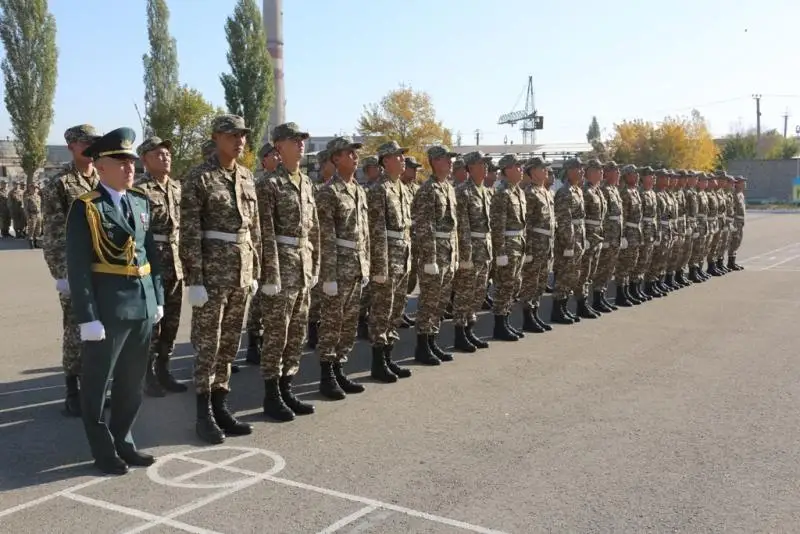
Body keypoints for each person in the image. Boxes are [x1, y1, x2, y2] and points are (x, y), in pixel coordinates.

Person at [65, 127, 164, 475]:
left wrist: (157, 297)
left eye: (131, 161)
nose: (129, 167)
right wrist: (87, 317)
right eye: (121, 162)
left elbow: (151, 255)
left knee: (132, 383)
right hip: (108, 309)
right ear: (100, 166)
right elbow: (78, 268)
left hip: (142, 304)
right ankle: (102, 449)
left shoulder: (139, 201)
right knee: (97, 384)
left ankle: (124, 441)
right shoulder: (87, 207)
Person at [180, 115, 261, 443]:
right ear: (216, 137)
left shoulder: (246, 176)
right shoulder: (199, 177)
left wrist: (255, 269)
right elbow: (188, 231)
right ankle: (203, 415)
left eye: (242, 135)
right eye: (232, 135)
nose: (239, 140)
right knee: (208, 345)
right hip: (212, 276)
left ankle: (221, 405)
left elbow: (253, 229)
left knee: (229, 344)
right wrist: (195, 279)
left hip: (241, 273)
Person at [257, 122, 319, 421]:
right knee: (276, 333)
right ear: (279, 147)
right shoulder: (269, 184)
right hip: (281, 267)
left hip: (303, 266)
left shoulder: (306, 182)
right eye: (295, 140)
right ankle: (271, 395)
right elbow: (265, 233)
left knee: (297, 332)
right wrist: (270, 275)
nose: (301, 144)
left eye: (302, 140)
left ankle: (287, 388)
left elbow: (314, 229)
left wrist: (315, 264)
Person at [42, 124, 101, 416]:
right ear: (71, 147)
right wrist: (62, 274)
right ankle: (72, 391)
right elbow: (53, 234)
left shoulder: (103, 178)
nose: (90, 146)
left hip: (104, 267)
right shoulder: (59, 184)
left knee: (101, 329)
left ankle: (94, 388)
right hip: (74, 267)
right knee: (76, 329)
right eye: (84, 142)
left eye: (93, 142)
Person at [316, 136, 370, 399]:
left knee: (349, 323)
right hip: (338, 268)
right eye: (349, 153)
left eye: (355, 153)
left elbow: (365, 233)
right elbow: (325, 237)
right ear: (336, 158)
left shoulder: (358, 190)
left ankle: (339, 370)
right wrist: (328, 276)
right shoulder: (328, 192)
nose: (355, 157)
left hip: (356, 266)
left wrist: (366, 264)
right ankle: (326, 377)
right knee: (332, 323)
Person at [135, 136, 186, 397]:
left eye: (167, 153)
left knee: (171, 322)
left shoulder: (176, 187)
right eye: (158, 154)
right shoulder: (139, 190)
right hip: (152, 265)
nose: (165, 157)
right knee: (151, 325)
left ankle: (164, 369)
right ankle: (147, 375)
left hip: (176, 264)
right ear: (145, 159)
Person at [366, 141, 414, 380]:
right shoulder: (379, 190)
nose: (403, 160)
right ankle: (378, 362)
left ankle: (388, 356)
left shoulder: (402, 188)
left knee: (396, 309)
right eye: (398, 156)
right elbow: (376, 231)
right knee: (382, 310)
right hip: (387, 259)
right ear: (385, 161)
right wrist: (379, 266)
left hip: (402, 256)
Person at [411, 145, 459, 364]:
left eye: (451, 159)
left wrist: (455, 254)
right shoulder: (427, 190)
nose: (450, 162)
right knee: (429, 300)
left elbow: (453, 227)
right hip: (434, 252)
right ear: (435, 162)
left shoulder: (448, 187)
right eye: (446, 159)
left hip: (447, 251)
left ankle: (432, 341)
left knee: (441, 301)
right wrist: (429, 259)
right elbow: (424, 227)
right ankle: (422, 346)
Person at [451, 150, 494, 350]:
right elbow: (463, 227)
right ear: (470, 167)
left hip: (484, 248)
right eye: (481, 164)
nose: (485, 167)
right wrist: (465, 256)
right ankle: (460, 333)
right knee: (465, 292)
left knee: (479, 291)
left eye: (486, 163)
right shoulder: (463, 192)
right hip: (470, 250)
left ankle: (470, 329)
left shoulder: (485, 191)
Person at [246, 141, 282, 365]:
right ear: (264, 160)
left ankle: (268, 340)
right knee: (259, 299)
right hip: (264, 247)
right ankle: (254, 341)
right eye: (273, 155)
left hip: (283, 250)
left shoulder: (283, 182)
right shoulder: (261, 185)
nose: (278, 158)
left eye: (279, 154)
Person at [490, 154, 527, 340]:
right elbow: (498, 225)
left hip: (519, 243)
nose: (521, 169)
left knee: (514, 284)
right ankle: (499, 325)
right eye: (517, 166)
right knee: (505, 285)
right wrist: (500, 251)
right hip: (508, 245)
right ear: (507, 169)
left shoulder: (518, 191)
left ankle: (506, 320)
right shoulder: (502, 193)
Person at [519, 157, 554, 333]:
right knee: (531, 281)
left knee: (541, 281)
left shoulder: (546, 192)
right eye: (542, 168)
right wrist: (529, 249)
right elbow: (526, 224)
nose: (546, 170)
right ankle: (527, 317)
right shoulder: (529, 193)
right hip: (536, 243)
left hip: (547, 242)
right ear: (532, 171)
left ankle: (535, 312)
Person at [550, 158, 586, 324]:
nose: (582, 171)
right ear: (570, 171)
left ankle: (563, 308)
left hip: (578, 238)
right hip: (568, 242)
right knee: (564, 276)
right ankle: (557, 311)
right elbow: (564, 220)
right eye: (578, 168)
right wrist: (569, 243)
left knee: (572, 275)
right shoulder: (564, 192)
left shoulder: (576, 190)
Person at [575, 159, 607, 319]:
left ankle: (592, 300)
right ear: (590, 172)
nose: (602, 172)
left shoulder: (598, 191)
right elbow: (581, 217)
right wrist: (584, 238)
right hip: (589, 236)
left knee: (592, 270)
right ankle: (581, 304)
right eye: (598, 170)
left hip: (597, 235)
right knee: (584, 272)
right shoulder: (585, 191)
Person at [591, 161, 623, 312]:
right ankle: (597, 299)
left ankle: (602, 296)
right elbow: (603, 216)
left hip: (616, 234)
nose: (618, 174)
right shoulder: (603, 189)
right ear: (608, 173)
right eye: (616, 171)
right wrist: (604, 237)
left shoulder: (614, 189)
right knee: (603, 267)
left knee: (609, 267)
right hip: (608, 235)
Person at [728, 175, 746, 270]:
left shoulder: (741, 194)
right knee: (734, 242)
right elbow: (732, 209)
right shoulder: (734, 194)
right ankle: (730, 263)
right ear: (737, 184)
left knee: (738, 241)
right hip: (736, 222)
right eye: (742, 182)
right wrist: (733, 223)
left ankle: (733, 261)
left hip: (740, 221)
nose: (744, 184)